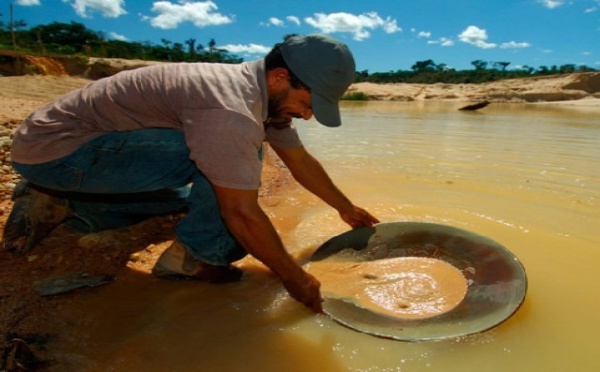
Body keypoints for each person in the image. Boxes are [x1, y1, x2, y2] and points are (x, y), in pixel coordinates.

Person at [2, 34, 379, 312]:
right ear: (281, 77)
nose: (308, 115)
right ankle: (190, 260)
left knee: (189, 198)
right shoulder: (232, 110)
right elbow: (240, 212)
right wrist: (294, 278)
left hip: (59, 147)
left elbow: (300, 161)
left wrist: (346, 209)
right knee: (233, 168)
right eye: (308, 104)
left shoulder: (259, 94)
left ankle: (68, 204)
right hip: (57, 152)